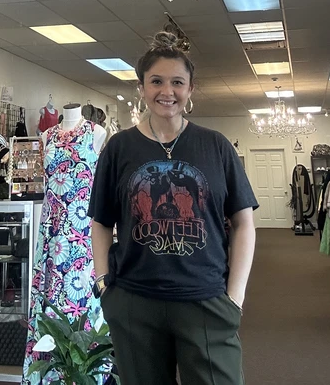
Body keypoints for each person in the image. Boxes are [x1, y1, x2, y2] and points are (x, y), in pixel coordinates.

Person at [88, 29, 259, 385]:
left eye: (177, 82)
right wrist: (104, 284)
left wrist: (235, 297)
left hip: (205, 299)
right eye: (156, 81)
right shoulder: (119, 148)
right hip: (135, 301)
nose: (167, 91)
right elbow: (101, 222)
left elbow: (243, 223)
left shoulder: (216, 146)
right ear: (141, 88)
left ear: (191, 89)